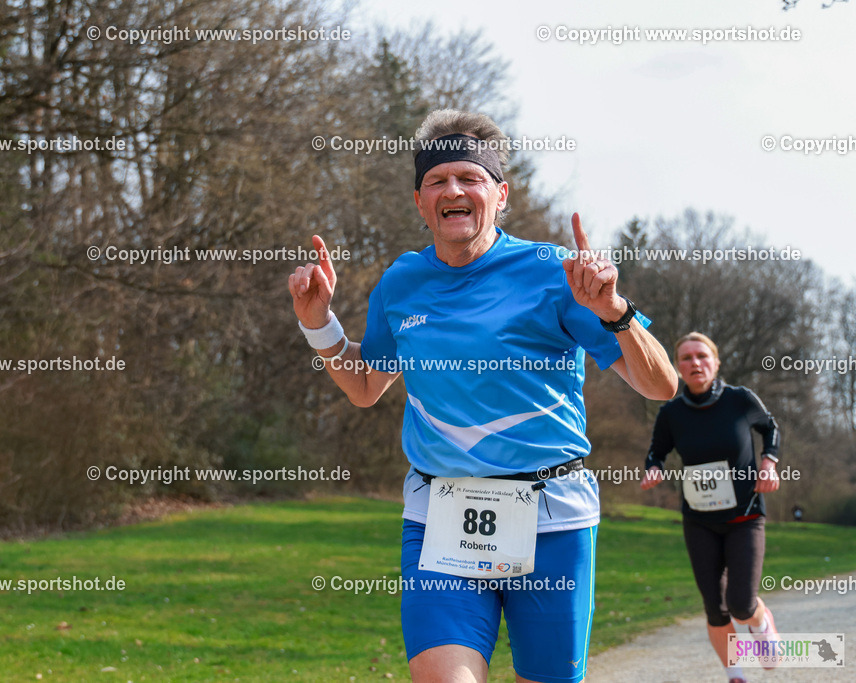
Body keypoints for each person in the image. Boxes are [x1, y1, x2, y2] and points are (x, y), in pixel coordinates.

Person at [288, 109, 677, 683]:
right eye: (436, 180)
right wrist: (318, 324)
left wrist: (614, 312)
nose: (453, 190)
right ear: (420, 202)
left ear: (500, 195)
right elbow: (366, 386)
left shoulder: (556, 273)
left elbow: (660, 385)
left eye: (469, 177)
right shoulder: (401, 283)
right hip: (440, 512)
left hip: (551, 515)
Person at [641, 332, 781, 683]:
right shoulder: (671, 413)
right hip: (699, 520)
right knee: (715, 609)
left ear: (716, 363)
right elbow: (657, 451)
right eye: (686, 358)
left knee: (741, 605)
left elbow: (770, 428)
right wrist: (654, 468)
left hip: (745, 515)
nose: (695, 363)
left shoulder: (740, 400)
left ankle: (761, 621)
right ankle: (736, 676)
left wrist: (769, 463)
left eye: (702, 356)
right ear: (678, 367)